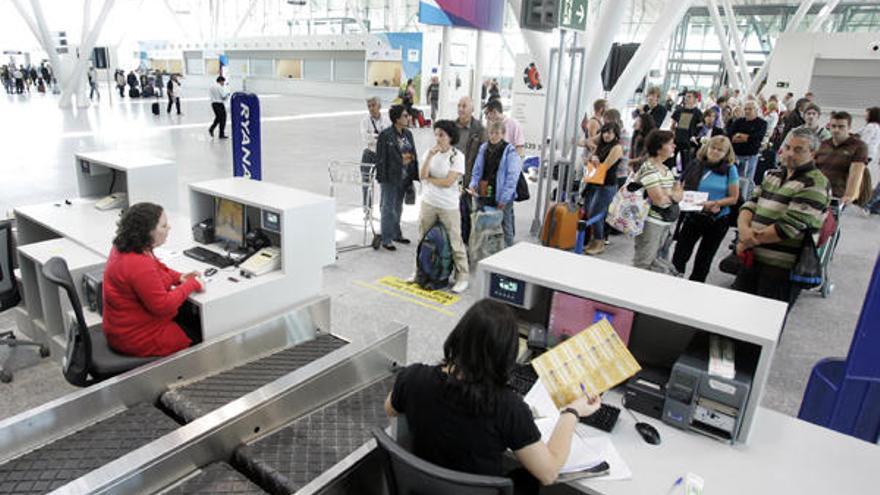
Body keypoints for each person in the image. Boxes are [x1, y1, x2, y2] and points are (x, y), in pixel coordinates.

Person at [384, 299, 602, 492]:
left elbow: (390, 408)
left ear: (458, 336)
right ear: (507, 354)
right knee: (526, 479)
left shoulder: (413, 377)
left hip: (425, 489)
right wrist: (571, 412)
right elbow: (549, 473)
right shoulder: (508, 407)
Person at [733, 127, 830, 306]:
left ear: (813, 153)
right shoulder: (773, 175)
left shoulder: (815, 184)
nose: (790, 153)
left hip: (780, 269)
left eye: (798, 150)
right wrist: (744, 230)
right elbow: (750, 205)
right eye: (788, 147)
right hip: (752, 258)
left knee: (764, 323)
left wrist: (747, 240)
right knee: (736, 314)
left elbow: (788, 227)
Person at [102, 203, 204, 357]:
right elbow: (163, 306)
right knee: (201, 334)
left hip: (121, 329)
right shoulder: (138, 264)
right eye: (163, 226)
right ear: (147, 232)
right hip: (138, 338)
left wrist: (179, 277)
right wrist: (192, 284)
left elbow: (157, 268)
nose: (169, 228)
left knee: (189, 315)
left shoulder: (128, 247)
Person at [672, 136, 740, 282]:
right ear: (707, 147)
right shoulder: (696, 164)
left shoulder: (730, 169)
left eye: (720, 150)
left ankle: (694, 289)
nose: (715, 152)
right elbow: (681, 185)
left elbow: (734, 198)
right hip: (693, 216)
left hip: (717, 219)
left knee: (704, 259)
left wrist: (716, 203)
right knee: (680, 255)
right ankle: (674, 283)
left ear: (726, 153)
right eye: (712, 147)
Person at [413, 120, 469, 293]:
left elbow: (448, 182)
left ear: (450, 137)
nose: (438, 138)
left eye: (442, 135)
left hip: (448, 206)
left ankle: (462, 277)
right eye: (436, 134)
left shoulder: (457, 156)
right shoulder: (430, 153)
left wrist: (430, 179)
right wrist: (429, 156)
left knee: (455, 241)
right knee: (422, 238)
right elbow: (421, 175)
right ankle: (419, 272)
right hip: (428, 202)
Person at [632, 130, 683, 273]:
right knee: (644, 262)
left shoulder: (665, 168)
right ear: (659, 147)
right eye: (670, 144)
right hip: (651, 221)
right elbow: (659, 200)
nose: (674, 147)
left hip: (665, 222)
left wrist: (671, 195)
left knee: (656, 259)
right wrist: (673, 196)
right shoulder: (649, 169)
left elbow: (679, 191)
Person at [468, 120, 523, 249]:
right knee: (482, 222)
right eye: (491, 133)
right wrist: (473, 183)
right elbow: (477, 170)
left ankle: (508, 250)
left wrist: (504, 198)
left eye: (497, 133)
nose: (493, 136)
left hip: (503, 195)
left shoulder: (510, 152)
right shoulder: (484, 148)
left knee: (506, 224)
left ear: (503, 134)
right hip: (484, 192)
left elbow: (512, 178)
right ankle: (482, 250)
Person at [376, 105, 417, 251]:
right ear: (397, 119)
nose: (408, 118)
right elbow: (381, 159)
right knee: (388, 208)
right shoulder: (385, 135)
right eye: (405, 116)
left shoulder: (408, 134)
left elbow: (412, 153)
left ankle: (395, 234)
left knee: (398, 207)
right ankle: (386, 239)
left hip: (404, 177)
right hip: (390, 177)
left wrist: (412, 172)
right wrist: (401, 160)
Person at [580, 122, 623, 255]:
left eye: (609, 132)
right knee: (588, 210)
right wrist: (592, 157)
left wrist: (595, 160)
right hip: (593, 182)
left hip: (607, 185)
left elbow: (605, 167)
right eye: (604, 132)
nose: (606, 135)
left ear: (615, 134)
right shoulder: (600, 145)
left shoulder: (617, 147)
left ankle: (599, 241)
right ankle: (594, 240)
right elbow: (585, 159)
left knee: (595, 213)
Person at [814, 111, 868, 205]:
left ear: (849, 128)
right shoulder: (823, 144)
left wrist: (849, 195)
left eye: (841, 126)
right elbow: (814, 168)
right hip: (818, 192)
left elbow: (856, 172)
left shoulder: (858, 146)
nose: (836, 130)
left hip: (839, 196)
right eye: (833, 126)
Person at [727, 100, 767, 201]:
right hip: (735, 155)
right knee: (733, 178)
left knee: (746, 180)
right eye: (745, 109)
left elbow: (757, 138)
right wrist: (746, 137)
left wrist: (742, 136)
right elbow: (730, 135)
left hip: (749, 156)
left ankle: (744, 200)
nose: (747, 111)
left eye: (750, 109)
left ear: (756, 110)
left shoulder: (762, 123)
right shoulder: (739, 121)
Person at [670, 90, 703, 173]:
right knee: (672, 161)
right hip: (677, 139)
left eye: (689, 96)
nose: (686, 98)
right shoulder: (678, 111)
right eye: (686, 96)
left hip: (689, 142)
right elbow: (672, 125)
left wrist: (695, 137)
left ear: (695, 99)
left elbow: (700, 128)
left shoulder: (698, 113)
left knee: (686, 162)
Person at [857, 107, 880, 214]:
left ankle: (866, 203)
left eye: (867, 113)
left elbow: (863, 141)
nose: (865, 115)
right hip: (870, 154)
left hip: (865, 154)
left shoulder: (871, 126)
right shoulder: (876, 126)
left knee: (858, 175)